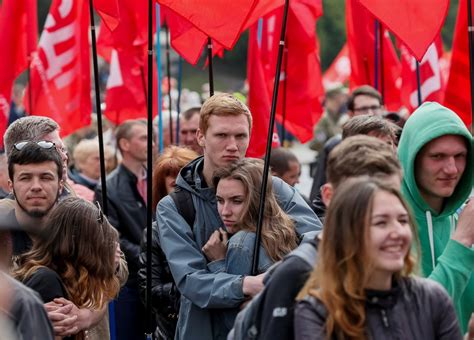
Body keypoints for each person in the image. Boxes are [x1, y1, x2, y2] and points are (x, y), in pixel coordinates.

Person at [157, 93, 321, 339]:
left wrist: (279, 278)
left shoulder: (274, 188)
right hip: (204, 330)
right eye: (222, 135)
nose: (232, 145)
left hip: (268, 326)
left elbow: (316, 242)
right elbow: (191, 280)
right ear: (201, 136)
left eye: (240, 136)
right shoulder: (175, 206)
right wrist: (254, 285)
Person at [253, 135, 402, 340]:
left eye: (393, 194)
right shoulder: (297, 273)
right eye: (362, 195)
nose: (381, 206)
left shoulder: (400, 267)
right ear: (329, 196)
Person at [295, 178, 462, 339]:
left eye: (403, 221)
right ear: (349, 233)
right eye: (381, 223)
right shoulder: (317, 312)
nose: (398, 233)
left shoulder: (432, 297)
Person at [397, 102, 474, 332]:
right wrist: (461, 241)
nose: (451, 169)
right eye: (438, 156)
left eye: (459, 156)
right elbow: (417, 319)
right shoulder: (389, 223)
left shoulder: (464, 216)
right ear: (412, 158)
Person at [13, 197, 121, 340]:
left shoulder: (64, 278)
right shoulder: (46, 281)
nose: (108, 250)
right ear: (85, 248)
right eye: (101, 243)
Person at [95, 118, 150, 340]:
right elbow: (112, 237)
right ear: (125, 144)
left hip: (159, 278)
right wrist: (150, 256)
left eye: (152, 137)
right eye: (144, 138)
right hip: (132, 282)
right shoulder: (108, 187)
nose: (152, 143)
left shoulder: (159, 178)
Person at [138, 146, 198, 339]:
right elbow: (149, 292)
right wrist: (194, 287)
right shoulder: (155, 232)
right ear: (163, 190)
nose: (184, 193)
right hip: (171, 331)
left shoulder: (222, 222)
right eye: (176, 187)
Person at [309, 85, 385, 206]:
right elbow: (318, 201)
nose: (370, 113)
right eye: (363, 108)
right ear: (351, 113)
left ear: (382, 109)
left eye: (374, 107)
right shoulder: (336, 146)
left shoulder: (395, 141)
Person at [3, 115, 94, 201]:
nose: (64, 157)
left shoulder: (86, 205)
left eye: (62, 149)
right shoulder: (4, 215)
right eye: (53, 150)